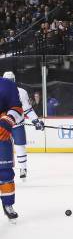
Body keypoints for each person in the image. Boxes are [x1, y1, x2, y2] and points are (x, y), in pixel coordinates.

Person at [2, 72, 45, 179]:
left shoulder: (21, 92)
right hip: (3, 125)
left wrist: (36, 121)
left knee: (20, 145)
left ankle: (23, 168)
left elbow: (27, 109)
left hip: (17, 124)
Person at [0, 76, 23, 220]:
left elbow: (17, 108)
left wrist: (7, 121)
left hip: (1, 135)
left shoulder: (7, 85)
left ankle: (8, 203)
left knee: (5, 172)